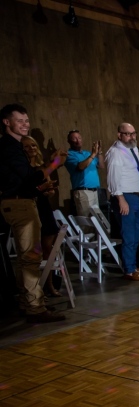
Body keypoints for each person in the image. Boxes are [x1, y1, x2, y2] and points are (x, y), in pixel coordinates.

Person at [0, 103, 66, 322]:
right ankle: (35, 308)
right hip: (20, 206)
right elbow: (29, 179)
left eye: (27, 121)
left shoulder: (15, 147)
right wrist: (54, 164)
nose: (25, 125)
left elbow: (26, 182)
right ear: (6, 122)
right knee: (30, 257)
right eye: (20, 121)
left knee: (24, 257)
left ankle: (26, 302)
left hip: (19, 202)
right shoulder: (10, 147)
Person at [106, 122, 139, 281]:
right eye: (127, 134)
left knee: (136, 233)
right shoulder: (116, 152)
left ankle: (133, 265)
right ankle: (129, 269)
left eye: (133, 133)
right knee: (129, 234)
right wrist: (120, 198)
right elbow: (113, 178)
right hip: (124, 196)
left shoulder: (133, 149)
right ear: (119, 135)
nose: (131, 137)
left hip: (135, 195)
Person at [21, 136, 61, 297]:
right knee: (33, 252)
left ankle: (49, 284)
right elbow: (27, 189)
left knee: (48, 250)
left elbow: (48, 188)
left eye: (33, 145)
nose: (31, 148)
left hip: (44, 208)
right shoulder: (22, 168)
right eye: (27, 146)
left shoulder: (41, 166)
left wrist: (49, 190)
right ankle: (35, 288)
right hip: (30, 209)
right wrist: (41, 188)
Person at [65, 129, 104, 217]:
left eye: (79, 137)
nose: (78, 140)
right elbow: (80, 167)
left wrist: (99, 152)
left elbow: (101, 165)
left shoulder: (87, 153)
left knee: (97, 223)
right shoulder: (69, 155)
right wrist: (93, 155)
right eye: (74, 138)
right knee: (87, 222)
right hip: (83, 191)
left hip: (94, 191)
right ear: (69, 141)